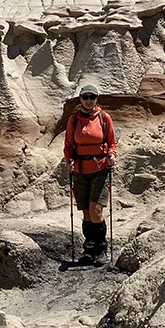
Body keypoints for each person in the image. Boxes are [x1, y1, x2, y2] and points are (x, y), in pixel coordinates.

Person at [64, 83, 117, 264]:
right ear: (80, 99)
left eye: (91, 97)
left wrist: (111, 156)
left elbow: (112, 142)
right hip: (80, 170)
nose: (88, 100)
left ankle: (101, 249)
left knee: (95, 210)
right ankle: (89, 250)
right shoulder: (74, 120)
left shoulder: (104, 118)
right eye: (85, 97)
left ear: (96, 99)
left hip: (100, 169)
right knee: (86, 212)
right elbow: (68, 145)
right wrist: (69, 161)